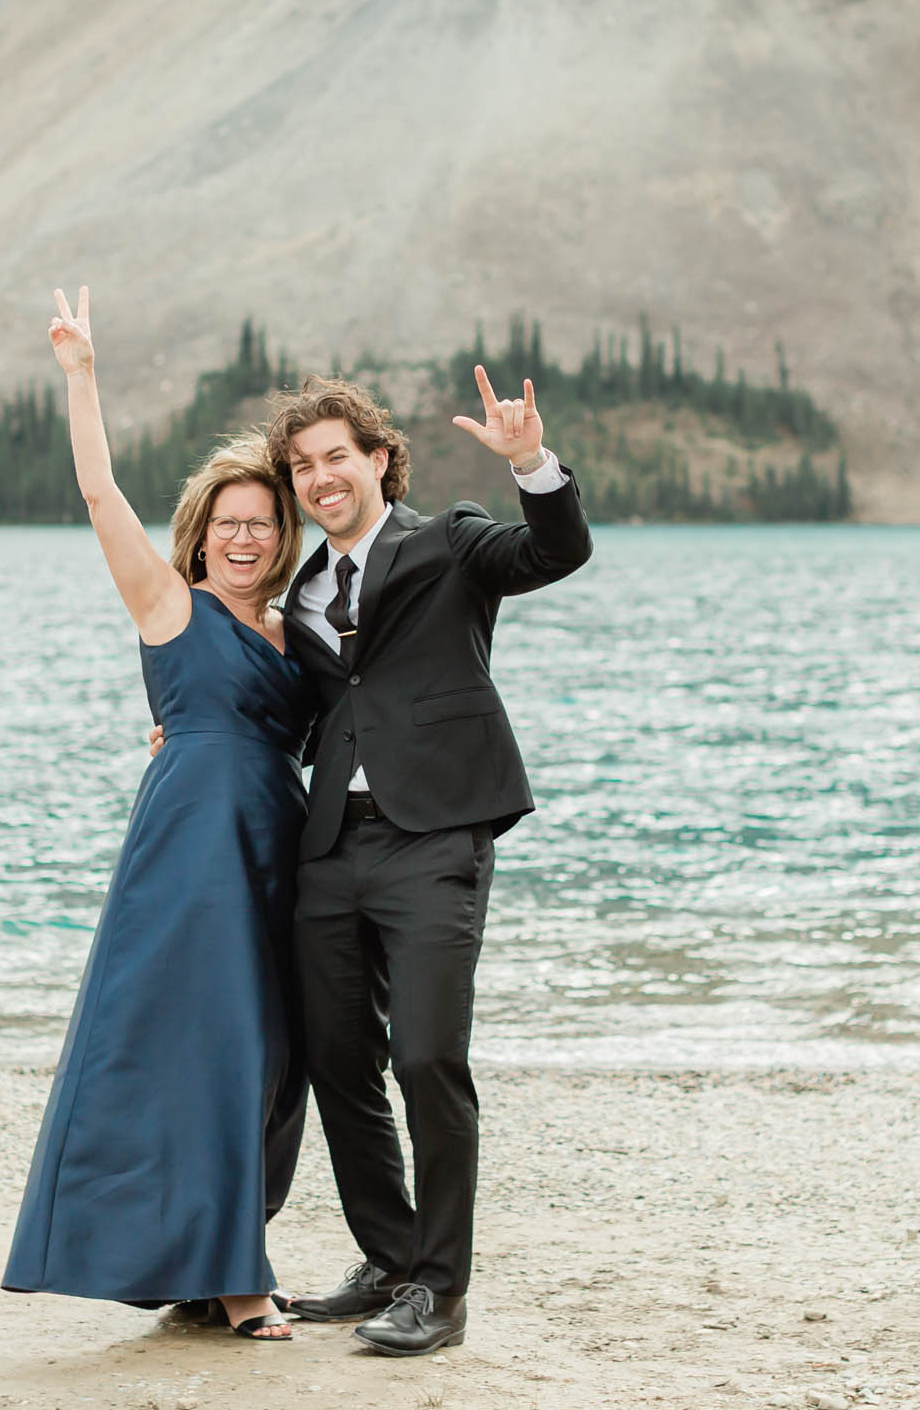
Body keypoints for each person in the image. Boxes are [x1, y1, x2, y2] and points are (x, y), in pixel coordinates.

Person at [1, 287, 315, 1341]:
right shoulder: (166, 604)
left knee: (274, 1056)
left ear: (281, 538)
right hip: (190, 850)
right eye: (226, 523)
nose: (242, 537)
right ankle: (238, 1280)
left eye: (260, 525)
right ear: (201, 531)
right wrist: (81, 377)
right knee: (205, 1045)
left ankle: (207, 1250)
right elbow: (98, 496)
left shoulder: (293, 635)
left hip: (280, 844)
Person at [270, 368, 593, 1356]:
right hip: (329, 848)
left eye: (335, 457)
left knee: (425, 1056)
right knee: (336, 1058)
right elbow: (309, 711)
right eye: (301, 467)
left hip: (436, 837)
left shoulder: (448, 541)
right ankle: (389, 1259)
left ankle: (440, 1293)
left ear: (375, 460)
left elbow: (555, 549)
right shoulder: (305, 591)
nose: (320, 478)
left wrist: (529, 462)